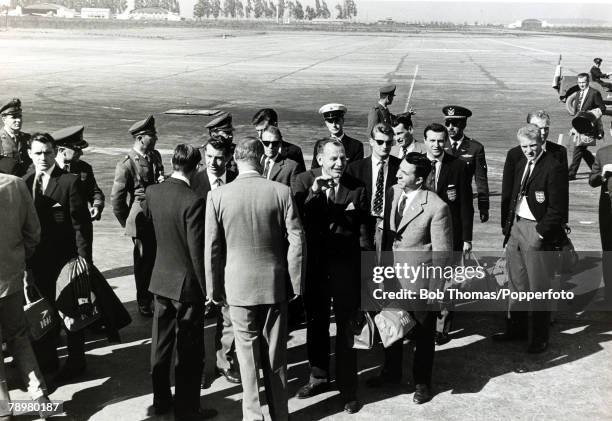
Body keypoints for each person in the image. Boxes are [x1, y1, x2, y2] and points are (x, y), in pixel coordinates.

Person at [205, 137, 305, 421]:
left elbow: (212, 247)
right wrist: (296, 283)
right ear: (262, 160)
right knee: (276, 356)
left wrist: (213, 289)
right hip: (274, 285)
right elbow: (297, 241)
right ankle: (280, 414)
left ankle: (252, 416)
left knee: (246, 357)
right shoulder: (281, 192)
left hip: (237, 287)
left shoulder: (218, 196)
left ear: (234, 160)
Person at [367, 152, 452, 405]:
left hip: (420, 283)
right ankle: (391, 372)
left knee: (423, 336)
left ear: (420, 179)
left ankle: (422, 383)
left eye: (404, 173)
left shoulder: (437, 207)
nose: (397, 175)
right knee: (391, 326)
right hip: (391, 277)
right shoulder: (393, 192)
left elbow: (442, 254)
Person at [293, 139, 370, 414]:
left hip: (345, 271)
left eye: (343, 158)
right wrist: (314, 192)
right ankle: (318, 376)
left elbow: (363, 235)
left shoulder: (356, 187)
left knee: (346, 330)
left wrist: (365, 276)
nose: (340, 163)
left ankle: (347, 387)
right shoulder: (302, 182)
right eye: (334, 158)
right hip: (315, 268)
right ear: (319, 159)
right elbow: (296, 219)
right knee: (316, 325)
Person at [142, 144, 217, 421]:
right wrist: (207, 289)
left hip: (160, 279)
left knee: (160, 345)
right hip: (186, 286)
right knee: (189, 350)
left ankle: (161, 400)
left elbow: (150, 231)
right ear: (197, 167)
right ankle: (187, 409)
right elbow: (197, 252)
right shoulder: (193, 200)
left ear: (173, 162)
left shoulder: (153, 192)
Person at [24, 132, 93, 381]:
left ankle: (77, 363)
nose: (43, 157)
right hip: (37, 262)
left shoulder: (68, 182)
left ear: (56, 153)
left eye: (48, 152)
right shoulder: (25, 182)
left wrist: (84, 260)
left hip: (66, 262)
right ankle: (48, 361)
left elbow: (81, 226)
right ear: (30, 154)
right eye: (38, 153)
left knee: (71, 313)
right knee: (43, 313)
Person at [496, 124, 568, 353]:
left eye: (533, 145)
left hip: (536, 230)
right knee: (516, 283)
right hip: (516, 227)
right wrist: (508, 229)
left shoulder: (553, 167)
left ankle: (539, 337)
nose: (528, 150)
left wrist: (539, 233)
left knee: (538, 287)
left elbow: (558, 209)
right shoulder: (521, 163)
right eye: (524, 146)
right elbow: (512, 195)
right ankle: (515, 330)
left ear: (541, 142)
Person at [0, 172, 54, 421]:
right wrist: (20, 262)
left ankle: (4, 409)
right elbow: (33, 232)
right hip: (10, 277)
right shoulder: (16, 184)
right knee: (19, 337)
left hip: (9, 276)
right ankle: (40, 397)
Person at [191, 138, 241, 386]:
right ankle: (199, 367)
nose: (213, 162)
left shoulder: (236, 179)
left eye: (219, 157)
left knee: (228, 314)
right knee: (198, 317)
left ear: (229, 157)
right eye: (209, 156)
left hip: (229, 258)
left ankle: (225, 360)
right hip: (199, 260)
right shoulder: (193, 182)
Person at [422, 123, 473, 345]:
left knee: (445, 282)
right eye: (432, 140)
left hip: (449, 234)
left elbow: (465, 205)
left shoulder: (458, 166)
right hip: (422, 235)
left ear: (446, 142)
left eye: (440, 141)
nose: (436, 145)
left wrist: (467, 239)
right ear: (425, 141)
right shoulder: (417, 165)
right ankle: (422, 323)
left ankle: (441, 327)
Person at [110, 115, 164, 317]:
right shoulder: (126, 164)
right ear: (141, 138)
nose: (156, 137)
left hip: (157, 216)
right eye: (152, 134)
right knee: (143, 263)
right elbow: (116, 200)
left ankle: (157, 296)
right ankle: (144, 300)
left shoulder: (155, 155)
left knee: (158, 258)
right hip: (141, 220)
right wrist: (128, 223)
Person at [503, 111, 568, 224]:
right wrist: (505, 223)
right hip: (520, 218)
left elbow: (562, 191)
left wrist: (563, 221)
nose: (542, 132)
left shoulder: (559, 152)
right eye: (538, 127)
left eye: (546, 128)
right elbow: (507, 190)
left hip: (547, 220)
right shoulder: (515, 154)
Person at [347, 123, 400, 251]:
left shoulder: (400, 166)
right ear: (371, 141)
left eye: (389, 142)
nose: (385, 146)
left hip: (390, 224)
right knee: (366, 266)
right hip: (363, 225)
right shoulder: (355, 168)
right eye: (380, 142)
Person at [442, 105, 490, 223]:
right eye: (448, 124)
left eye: (455, 124)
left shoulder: (475, 148)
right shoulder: (440, 144)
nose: (450, 127)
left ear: (463, 125)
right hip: (440, 202)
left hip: (463, 203)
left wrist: (483, 206)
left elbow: (481, 180)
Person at [51, 125, 105, 221]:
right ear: (61, 150)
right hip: (55, 224)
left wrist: (96, 207)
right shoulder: (48, 170)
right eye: (77, 150)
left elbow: (95, 193)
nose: (81, 153)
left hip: (81, 227)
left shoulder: (84, 168)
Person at [568, 73, 606, 180]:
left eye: (583, 82)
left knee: (579, 149)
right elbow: (576, 113)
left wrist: (590, 114)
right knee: (582, 150)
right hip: (580, 126)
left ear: (588, 81)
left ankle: (571, 173)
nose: (581, 85)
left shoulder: (594, 93)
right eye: (579, 82)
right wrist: (573, 128)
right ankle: (597, 169)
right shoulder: (578, 93)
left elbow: (602, 108)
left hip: (590, 126)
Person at [589, 141, 612, 303]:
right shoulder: (603, 152)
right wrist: (602, 175)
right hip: (607, 208)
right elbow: (592, 180)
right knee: (609, 250)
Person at [311, 104, 364, 169]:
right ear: (326, 123)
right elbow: (314, 170)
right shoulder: (319, 144)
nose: (334, 125)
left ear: (343, 120)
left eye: (337, 121)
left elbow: (356, 171)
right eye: (330, 121)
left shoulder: (356, 146)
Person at [0, 98, 31, 176]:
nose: (19, 120)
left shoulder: (27, 138)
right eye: (14, 117)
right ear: (4, 119)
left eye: (20, 116)